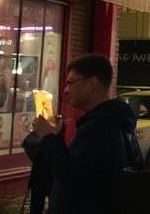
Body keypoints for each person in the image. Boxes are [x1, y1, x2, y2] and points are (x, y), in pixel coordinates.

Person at [31, 54, 138, 213]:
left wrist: (49, 138)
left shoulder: (99, 128)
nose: (66, 90)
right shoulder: (118, 122)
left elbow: (70, 174)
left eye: (71, 82)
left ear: (91, 83)